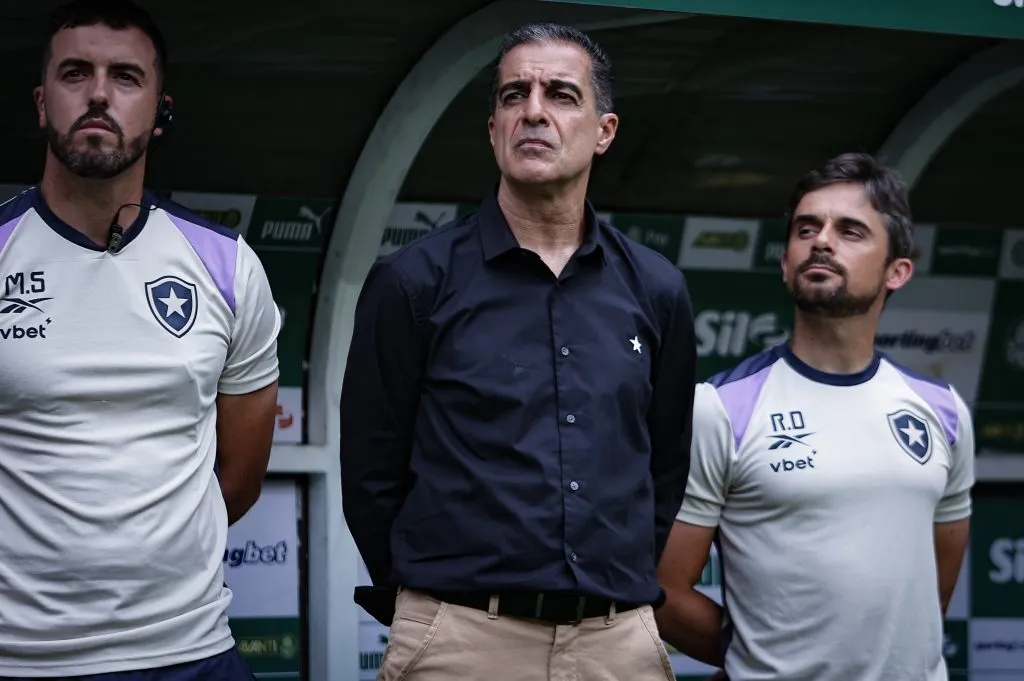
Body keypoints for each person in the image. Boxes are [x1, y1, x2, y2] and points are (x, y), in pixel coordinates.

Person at [341, 22, 697, 681]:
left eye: (561, 94)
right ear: (493, 129)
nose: (533, 110)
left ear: (605, 130)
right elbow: (371, 473)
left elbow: (665, 463)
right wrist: (433, 605)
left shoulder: (657, 289)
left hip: (615, 643)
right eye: (513, 95)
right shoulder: (414, 282)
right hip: (461, 638)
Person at [0, 0, 281, 678]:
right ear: (42, 103)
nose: (98, 94)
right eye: (76, 73)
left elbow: (236, 479)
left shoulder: (226, 266)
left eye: (126, 77)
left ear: (160, 111)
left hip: (188, 652)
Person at [655, 153, 975, 681]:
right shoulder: (721, 407)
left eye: (850, 230)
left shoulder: (941, 411)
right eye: (807, 228)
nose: (822, 241)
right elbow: (665, 590)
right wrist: (762, 659)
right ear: (786, 262)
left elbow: (932, 590)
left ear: (898, 270)